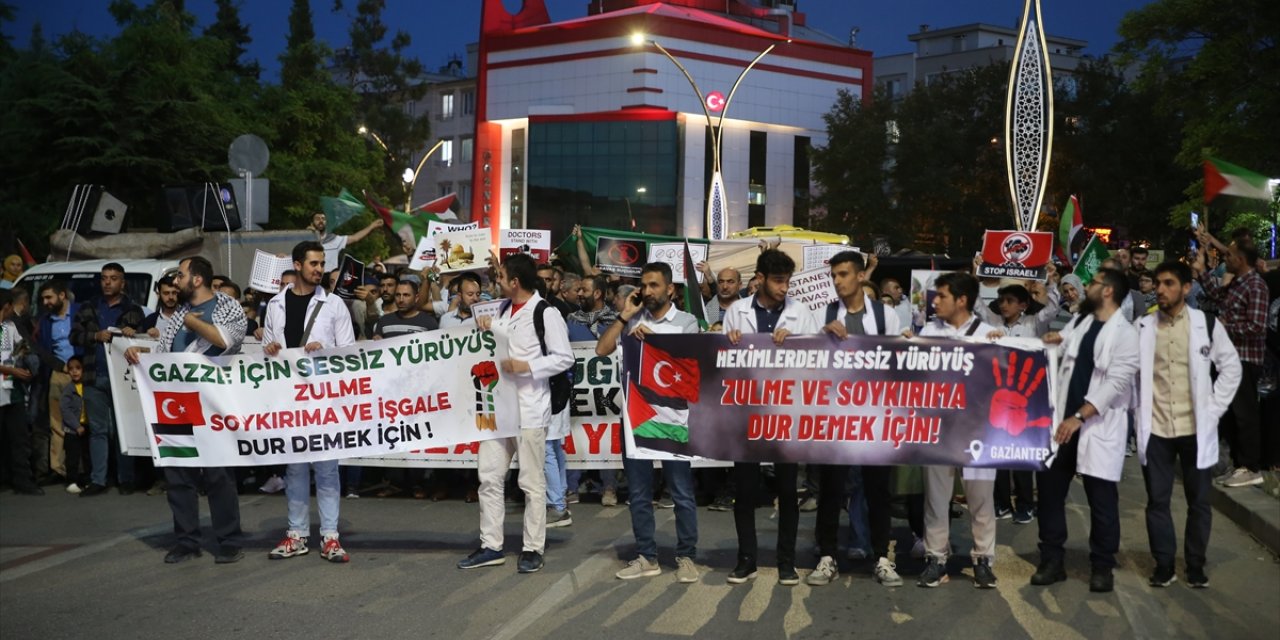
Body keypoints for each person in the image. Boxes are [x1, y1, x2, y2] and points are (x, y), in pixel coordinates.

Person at [124, 256, 248, 564]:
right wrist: (143, 352)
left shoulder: (227, 307)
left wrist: (194, 323)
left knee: (219, 475)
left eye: (180, 275)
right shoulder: (178, 312)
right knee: (178, 475)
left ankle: (228, 540)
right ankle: (186, 540)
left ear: (196, 280)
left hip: (212, 404)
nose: (175, 281)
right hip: (177, 404)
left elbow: (227, 341)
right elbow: (168, 354)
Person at [458, 253, 573, 574]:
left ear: (515, 281)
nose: (495, 282)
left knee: (531, 482)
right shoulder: (503, 309)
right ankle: (491, 545)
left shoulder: (544, 313)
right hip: (498, 408)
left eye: (500, 277)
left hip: (530, 409)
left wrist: (529, 366)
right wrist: (486, 325)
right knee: (489, 477)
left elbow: (564, 358)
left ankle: (533, 547)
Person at [1134, 261, 1242, 588]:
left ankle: (1195, 564)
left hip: (1196, 429)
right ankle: (1164, 564)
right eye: (1157, 283)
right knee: (1157, 501)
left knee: (1198, 502)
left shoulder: (1206, 324)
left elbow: (1231, 368)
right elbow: (1122, 369)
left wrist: (1213, 408)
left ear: (1185, 288)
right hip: (1156, 430)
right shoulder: (1141, 327)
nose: (1160, 289)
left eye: (1168, 283)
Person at [1033, 267, 1139, 593]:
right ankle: (1052, 560)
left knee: (1102, 501)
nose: (1086, 287)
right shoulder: (1082, 321)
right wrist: (1053, 341)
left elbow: (1116, 384)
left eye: (1092, 283)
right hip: (1061, 423)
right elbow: (1064, 348)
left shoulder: (1126, 333)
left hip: (1094, 425)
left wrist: (1078, 416)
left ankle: (1102, 565)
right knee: (1050, 495)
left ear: (1107, 290)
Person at [595, 261, 701, 584]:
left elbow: (690, 369)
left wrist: (654, 341)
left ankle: (686, 557)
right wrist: (625, 316)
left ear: (670, 289)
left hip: (673, 420)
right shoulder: (632, 319)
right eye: (644, 284)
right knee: (639, 493)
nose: (647, 291)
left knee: (681, 492)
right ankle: (647, 556)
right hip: (636, 419)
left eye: (654, 285)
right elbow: (601, 349)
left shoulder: (686, 322)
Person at [721, 249, 819, 586]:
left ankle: (786, 561)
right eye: (778, 280)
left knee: (788, 490)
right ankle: (746, 558)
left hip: (785, 414)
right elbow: (723, 366)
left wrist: (797, 344)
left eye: (787, 281)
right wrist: (729, 342)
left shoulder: (800, 313)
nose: (784, 288)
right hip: (748, 413)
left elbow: (817, 359)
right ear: (760, 279)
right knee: (745, 490)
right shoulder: (737, 312)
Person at [811, 251, 902, 587]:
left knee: (878, 489)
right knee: (831, 490)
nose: (837, 281)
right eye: (834, 275)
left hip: (875, 416)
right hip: (835, 417)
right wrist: (821, 336)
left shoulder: (885, 315)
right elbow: (804, 359)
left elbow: (898, 360)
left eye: (844, 274)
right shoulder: (823, 313)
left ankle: (881, 556)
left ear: (861, 276)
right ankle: (827, 555)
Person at [261, 241, 355, 563]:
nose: (320, 269)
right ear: (297, 265)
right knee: (295, 467)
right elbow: (267, 348)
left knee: (327, 467)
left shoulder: (334, 306)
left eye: (322, 264)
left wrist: (325, 352)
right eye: (314, 263)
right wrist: (270, 349)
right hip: (289, 397)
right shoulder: (275, 305)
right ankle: (297, 534)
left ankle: (330, 537)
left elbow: (349, 354)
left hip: (323, 398)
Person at [917, 272, 1000, 589]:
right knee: (936, 499)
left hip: (978, 431)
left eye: (942, 296)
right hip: (938, 428)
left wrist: (1002, 350)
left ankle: (983, 560)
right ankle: (936, 558)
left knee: (981, 499)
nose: (935, 301)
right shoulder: (928, 331)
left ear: (962, 300)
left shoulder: (989, 334)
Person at [1194, 238, 1268, 488]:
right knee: (1231, 414)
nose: (1225, 259)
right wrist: (1202, 272)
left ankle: (1251, 466)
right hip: (1228, 358)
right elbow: (1216, 296)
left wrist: (1227, 327)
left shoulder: (1256, 285)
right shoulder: (1238, 282)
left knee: (1245, 414)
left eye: (1229, 256)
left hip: (1246, 358)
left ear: (1241, 259)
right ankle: (1238, 464)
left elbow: (1257, 326)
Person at [70, 263, 144, 496]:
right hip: (94, 376)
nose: (108, 282)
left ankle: (126, 478)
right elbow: (75, 336)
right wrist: (95, 335)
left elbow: (146, 341)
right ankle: (98, 479)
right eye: (104, 278)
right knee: (98, 431)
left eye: (113, 278)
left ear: (123, 283)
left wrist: (135, 333)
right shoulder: (89, 307)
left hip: (122, 378)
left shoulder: (133, 309)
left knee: (123, 429)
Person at [37, 280, 80, 483]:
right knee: (57, 424)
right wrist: (58, 366)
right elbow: (42, 350)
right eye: (43, 298)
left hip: (81, 373)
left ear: (62, 295)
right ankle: (58, 468)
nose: (45, 302)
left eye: (49, 297)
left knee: (81, 422)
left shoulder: (80, 312)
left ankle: (82, 468)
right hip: (58, 373)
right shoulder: (45, 321)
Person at [0, 288, 42, 494]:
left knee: (19, 437)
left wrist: (23, 355)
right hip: (6, 381)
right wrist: (11, 369)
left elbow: (20, 345)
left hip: (12, 389)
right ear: (6, 306)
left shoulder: (9, 326)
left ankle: (23, 480)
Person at [309, 211, 384, 270]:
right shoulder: (305, 240)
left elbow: (355, 238)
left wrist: (372, 226)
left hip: (329, 282)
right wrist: (307, 234)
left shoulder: (334, 239)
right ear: (312, 223)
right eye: (317, 219)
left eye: (323, 219)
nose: (321, 221)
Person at [58, 356, 90, 493]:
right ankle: (71, 481)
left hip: (87, 427)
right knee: (72, 456)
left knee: (87, 455)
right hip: (72, 430)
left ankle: (87, 479)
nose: (74, 372)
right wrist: (76, 426)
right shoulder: (68, 389)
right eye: (71, 369)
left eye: (78, 368)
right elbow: (65, 410)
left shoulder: (88, 387)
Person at [372, 279, 439, 338]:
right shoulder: (384, 321)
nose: (401, 300)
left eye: (406, 295)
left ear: (416, 298)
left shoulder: (429, 322)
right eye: (398, 295)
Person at [568, 274, 618, 339]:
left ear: (597, 294)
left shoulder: (615, 322)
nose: (579, 294)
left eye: (584, 290)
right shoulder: (572, 320)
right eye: (579, 290)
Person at [140, 274, 181, 339]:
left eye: (174, 293)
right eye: (166, 293)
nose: (170, 297)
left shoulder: (187, 317)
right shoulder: (149, 320)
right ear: (158, 295)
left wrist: (160, 336)